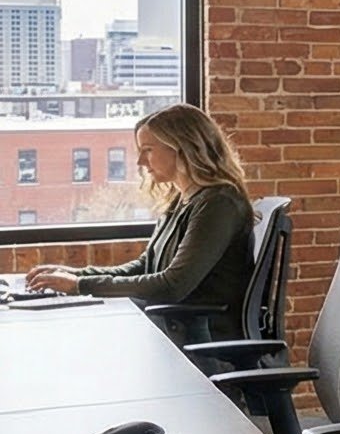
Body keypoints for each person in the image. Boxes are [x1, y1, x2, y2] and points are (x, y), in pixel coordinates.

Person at [25, 104, 257, 346]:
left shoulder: (218, 205)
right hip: (174, 327)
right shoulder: (184, 199)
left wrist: (81, 285)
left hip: (199, 338)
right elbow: (146, 266)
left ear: (182, 149)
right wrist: (75, 275)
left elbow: (172, 286)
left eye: (148, 150)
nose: (140, 161)